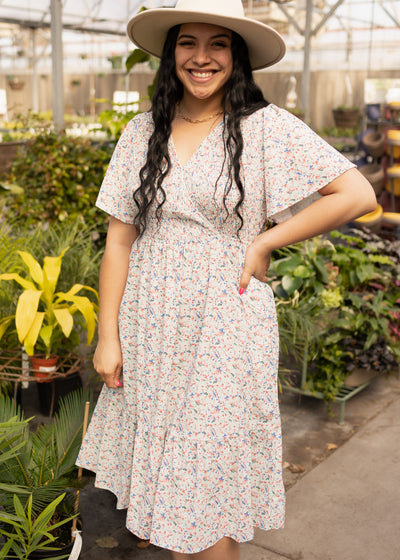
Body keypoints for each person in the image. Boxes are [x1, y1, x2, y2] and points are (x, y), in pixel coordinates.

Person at [77, 1, 376, 558]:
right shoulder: (141, 132)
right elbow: (119, 240)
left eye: (219, 44)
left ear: (236, 56)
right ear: (171, 55)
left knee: (209, 482)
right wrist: (108, 334)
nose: (202, 57)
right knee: (167, 479)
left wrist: (264, 240)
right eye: (188, 42)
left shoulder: (264, 128)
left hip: (225, 327)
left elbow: (358, 195)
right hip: (152, 323)